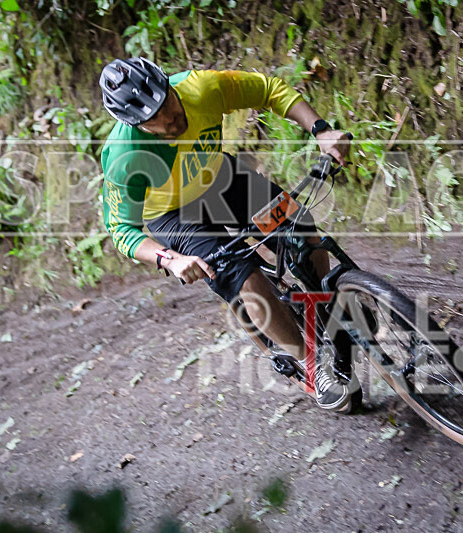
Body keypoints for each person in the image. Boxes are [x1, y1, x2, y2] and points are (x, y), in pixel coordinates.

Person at [99, 57, 356, 410]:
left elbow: (269, 90)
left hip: (221, 180)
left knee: (300, 227)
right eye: (154, 121)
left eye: (168, 105)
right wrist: (169, 259)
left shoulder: (202, 88)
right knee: (241, 274)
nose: (171, 119)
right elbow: (121, 230)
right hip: (175, 217)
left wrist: (320, 129)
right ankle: (312, 366)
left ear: (170, 87)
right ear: (134, 124)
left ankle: (324, 306)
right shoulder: (124, 156)